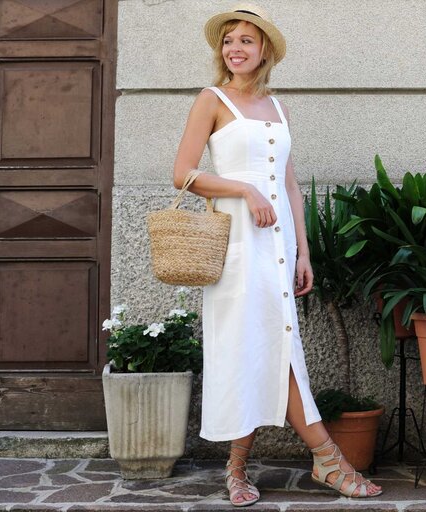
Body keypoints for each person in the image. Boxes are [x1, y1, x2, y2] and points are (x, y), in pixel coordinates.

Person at [171, 3, 382, 507]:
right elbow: (182, 173)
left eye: (246, 39)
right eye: (228, 41)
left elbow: (290, 187)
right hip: (239, 248)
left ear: (264, 49)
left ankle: (239, 469)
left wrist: (304, 251)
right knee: (257, 348)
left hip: (280, 247)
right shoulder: (211, 99)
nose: (235, 48)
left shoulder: (277, 106)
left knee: (274, 346)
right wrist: (244, 191)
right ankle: (326, 459)